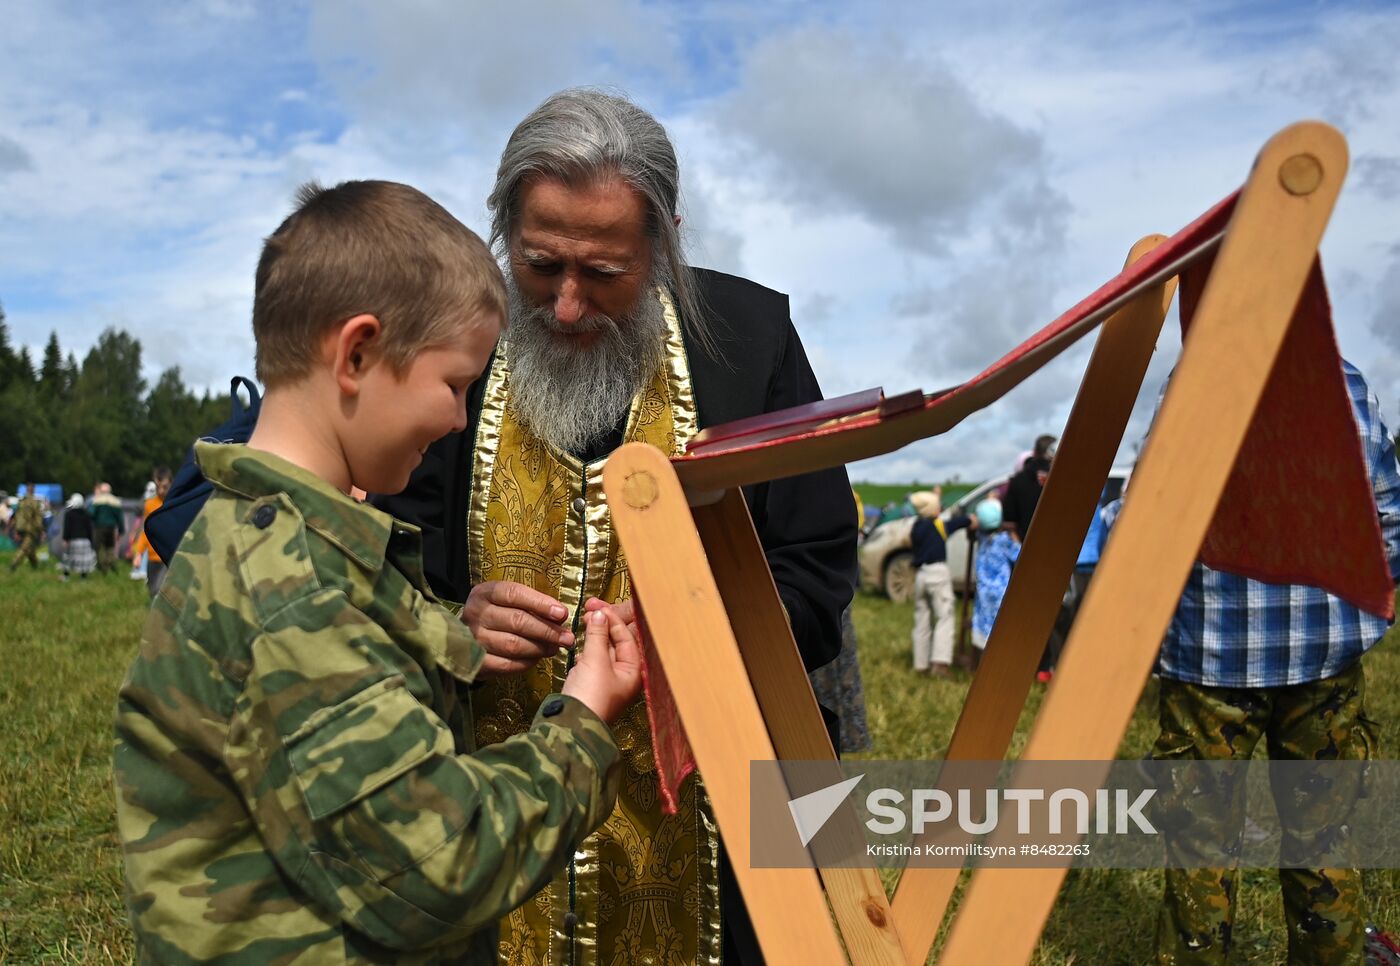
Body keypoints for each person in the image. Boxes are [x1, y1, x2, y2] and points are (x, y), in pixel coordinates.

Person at [376, 88, 858, 965]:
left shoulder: (751, 343)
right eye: (538, 266)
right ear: (503, 232)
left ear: (665, 242)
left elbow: (818, 565)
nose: (565, 306)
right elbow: (384, 546)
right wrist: (449, 623)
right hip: (491, 811)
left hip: (721, 823)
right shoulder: (454, 347)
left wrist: (700, 637)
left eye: (604, 275)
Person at [113, 179, 644, 963]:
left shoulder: (290, 548)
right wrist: (584, 717)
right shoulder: (290, 593)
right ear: (358, 353)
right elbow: (440, 867)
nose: (462, 419)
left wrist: (454, 637)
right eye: (455, 385)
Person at [1152, 359, 1400, 965]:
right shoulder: (1343, 381)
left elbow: (1154, 515)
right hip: (1326, 656)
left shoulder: (1198, 375)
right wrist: (1360, 613)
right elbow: (1387, 518)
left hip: (1209, 653)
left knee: (1199, 841)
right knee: (1325, 835)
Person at [908, 488, 975, 678]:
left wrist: (935, 494)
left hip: (921, 574)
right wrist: (971, 520)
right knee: (945, 617)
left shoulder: (916, 527)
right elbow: (958, 522)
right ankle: (940, 663)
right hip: (937, 575)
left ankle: (920, 664)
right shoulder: (938, 526)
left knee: (922, 620)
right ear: (933, 510)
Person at [969, 498, 1019, 661]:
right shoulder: (1004, 540)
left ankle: (984, 659)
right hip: (1001, 592)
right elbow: (1019, 555)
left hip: (983, 591)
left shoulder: (981, 537)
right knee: (1001, 627)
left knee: (986, 624)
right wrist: (1015, 537)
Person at [126, 467, 172, 597]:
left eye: (165, 487)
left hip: (168, 556)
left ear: (171, 484)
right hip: (152, 557)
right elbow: (146, 531)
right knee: (152, 590)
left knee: (160, 589)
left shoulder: (174, 503)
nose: (161, 491)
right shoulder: (149, 505)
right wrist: (139, 553)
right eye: (158, 487)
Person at [58, 493, 96, 581]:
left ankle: (66, 576)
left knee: (68, 557)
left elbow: (67, 528)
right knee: (84, 560)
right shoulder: (87, 514)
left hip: (73, 540)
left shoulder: (69, 514)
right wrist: (91, 540)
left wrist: (65, 539)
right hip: (85, 540)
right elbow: (89, 528)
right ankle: (83, 578)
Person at [7, 485, 45, 572]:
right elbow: (38, 518)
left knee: (29, 548)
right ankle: (13, 565)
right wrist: (41, 530)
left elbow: (16, 516)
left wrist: (16, 530)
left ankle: (35, 566)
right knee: (24, 548)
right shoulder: (35, 503)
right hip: (30, 529)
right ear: (33, 490)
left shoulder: (21, 502)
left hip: (20, 528)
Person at [89, 481, 124, 574]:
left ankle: (102, 567)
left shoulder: (97, 500)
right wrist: (121, 529)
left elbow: (91, 513)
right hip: (111, 527)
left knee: (100, 546)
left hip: (100, 526)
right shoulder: (115, 501)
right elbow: (120, 517)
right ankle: (112, 563)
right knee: (110, 546)